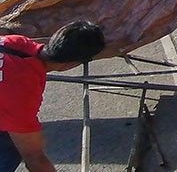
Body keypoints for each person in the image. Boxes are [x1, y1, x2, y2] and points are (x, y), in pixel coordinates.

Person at [0, 21, 105, 172]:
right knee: (15, 146)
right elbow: (35, 159)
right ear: (70, 65)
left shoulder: (14, 41)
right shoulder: (22, 97)